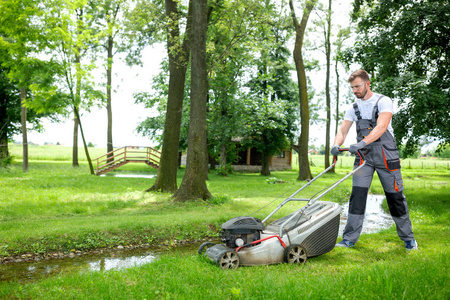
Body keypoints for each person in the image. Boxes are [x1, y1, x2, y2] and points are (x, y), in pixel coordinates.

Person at [331, 69, 417, 250]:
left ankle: (408, 238)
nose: (355, 90)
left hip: (386, 155)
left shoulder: (383, 101)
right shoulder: (353, 107)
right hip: (364, 158)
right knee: (357, 197)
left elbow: (381, 127)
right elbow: (343, 130)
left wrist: (361, 142)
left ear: (367, 84)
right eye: (352, 87)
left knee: (395, 197)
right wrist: (337, 144)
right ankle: (349, 239)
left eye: (357, 86)